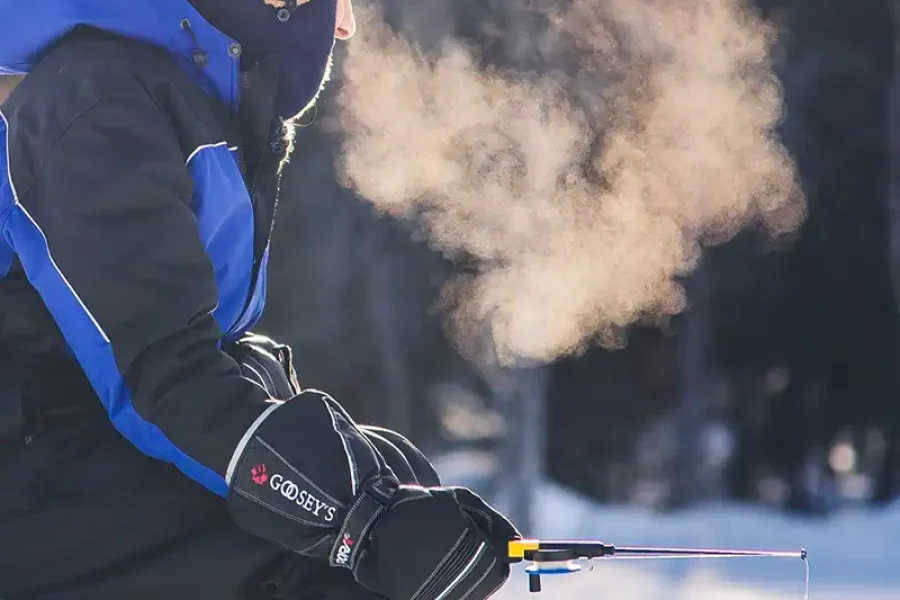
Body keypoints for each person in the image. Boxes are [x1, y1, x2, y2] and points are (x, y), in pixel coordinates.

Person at [0, 1, 520, 599]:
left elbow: (194, 343)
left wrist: (373, 484)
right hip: (30, 480)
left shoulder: (193, 97)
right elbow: (163, 372)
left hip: (71, 453)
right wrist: (356, 517)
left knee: (397, 493)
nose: (341, 21)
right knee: (323, 563)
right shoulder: (98, 101)